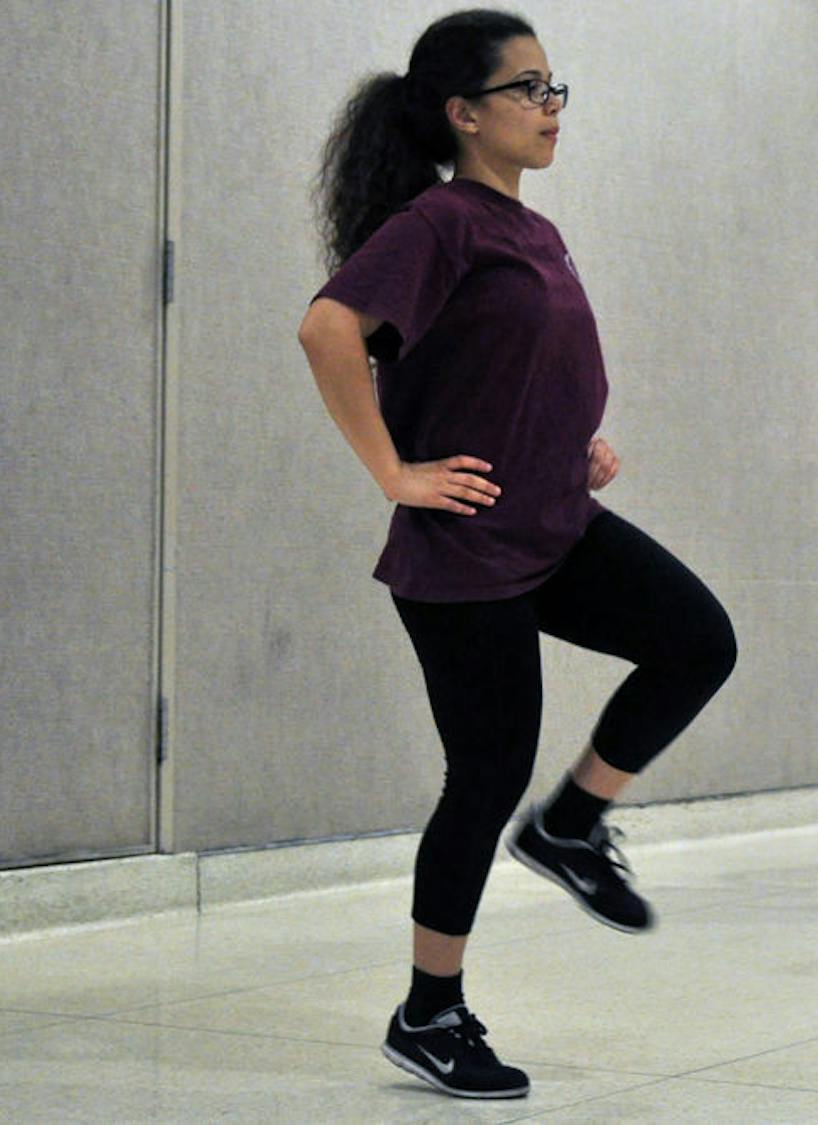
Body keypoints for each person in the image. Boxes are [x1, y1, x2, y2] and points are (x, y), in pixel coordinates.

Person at [297, 9, 736, 1099]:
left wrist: (568, 440)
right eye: (528, 89)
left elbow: (506, 361)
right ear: (463, 113)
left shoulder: (526, 227)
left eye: (555, 88)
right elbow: (328, 328)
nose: (551, 108)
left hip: (553, 522)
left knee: (697, 642)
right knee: (484, 776)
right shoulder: (440, 219)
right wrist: (395, 474)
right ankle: (429, 1012)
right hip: (464, 556)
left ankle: (576, 823)